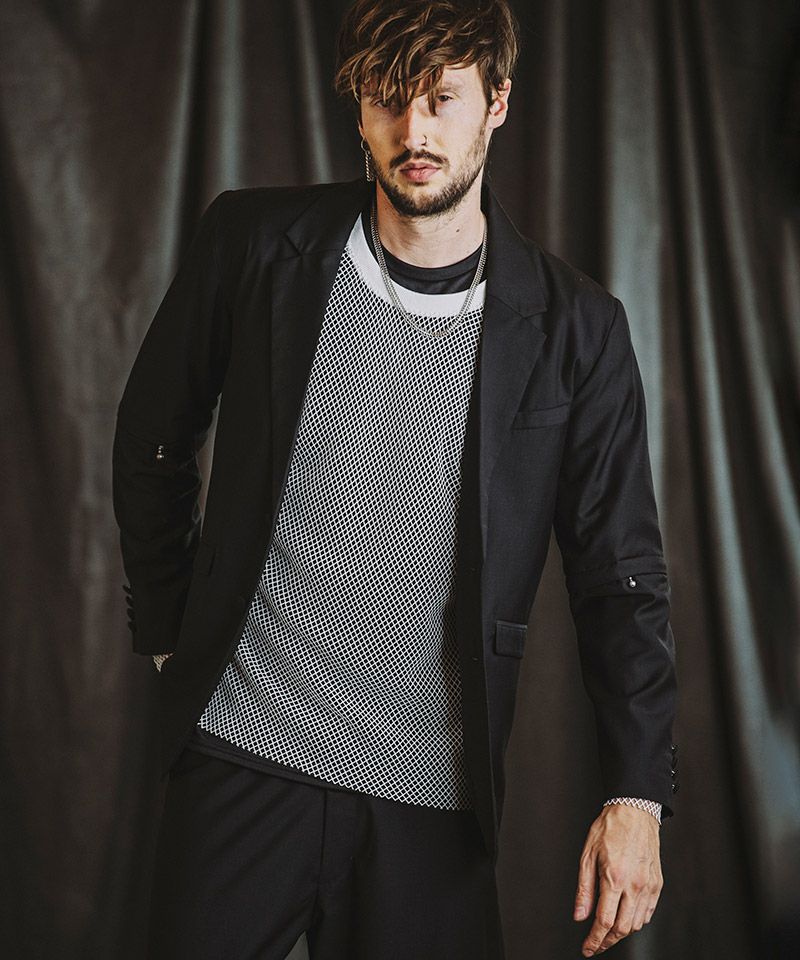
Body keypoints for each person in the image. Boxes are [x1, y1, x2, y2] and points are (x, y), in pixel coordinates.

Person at [112, 1, 679, 957]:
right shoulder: (258, 245)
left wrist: (637, 793)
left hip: (432, 797)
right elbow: (152, 437)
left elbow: (619, 574)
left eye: (442, 99)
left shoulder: (577, 330)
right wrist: (172, 634)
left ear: (497, 103)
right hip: (244, 749)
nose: (415, 131)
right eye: (388, 100)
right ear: (359, 108)